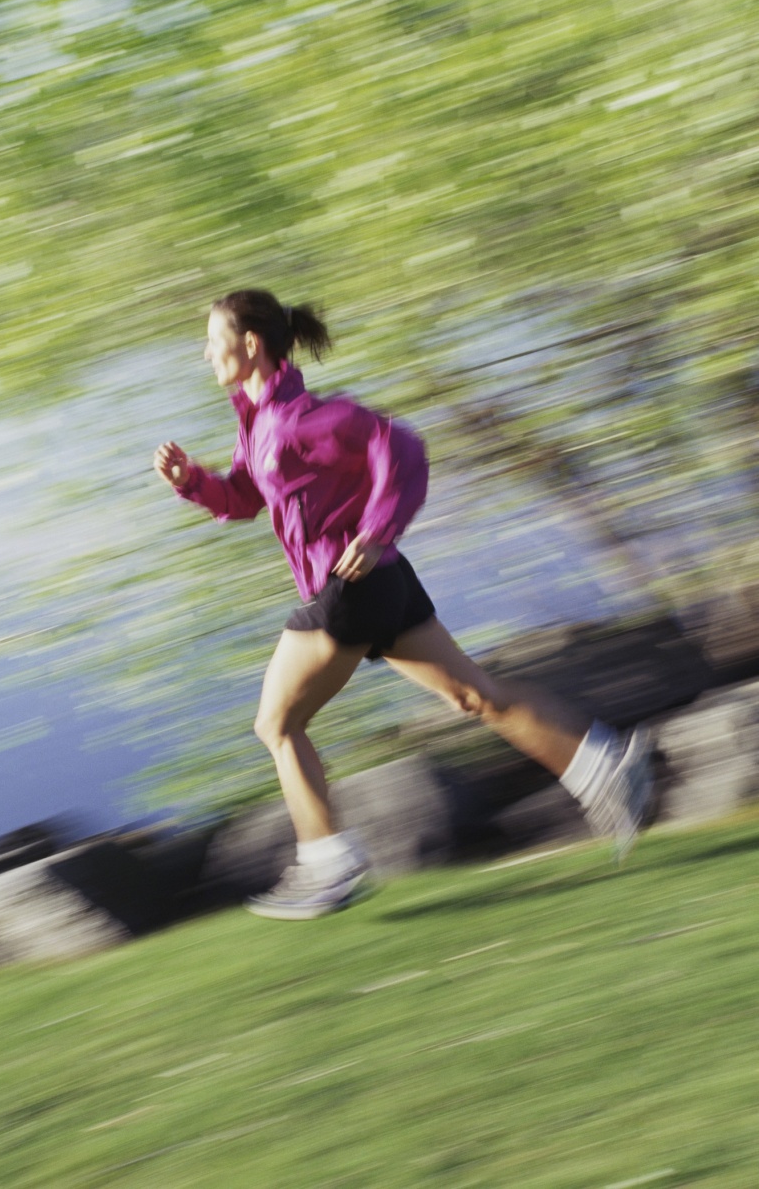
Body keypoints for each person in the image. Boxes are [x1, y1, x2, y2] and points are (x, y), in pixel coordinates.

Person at [154, 289, 653, 920]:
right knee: (474, 696)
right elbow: (248, 498)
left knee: (276, 725)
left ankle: (327, 861)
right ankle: (604, 767)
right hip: (384, 584)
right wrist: (192, 482)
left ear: (249, 344)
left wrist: (377, 528)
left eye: (211, 338)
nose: (205, 351)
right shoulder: (259, 422)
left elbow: (403, 447)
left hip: (350, 587)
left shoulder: (302, 418)